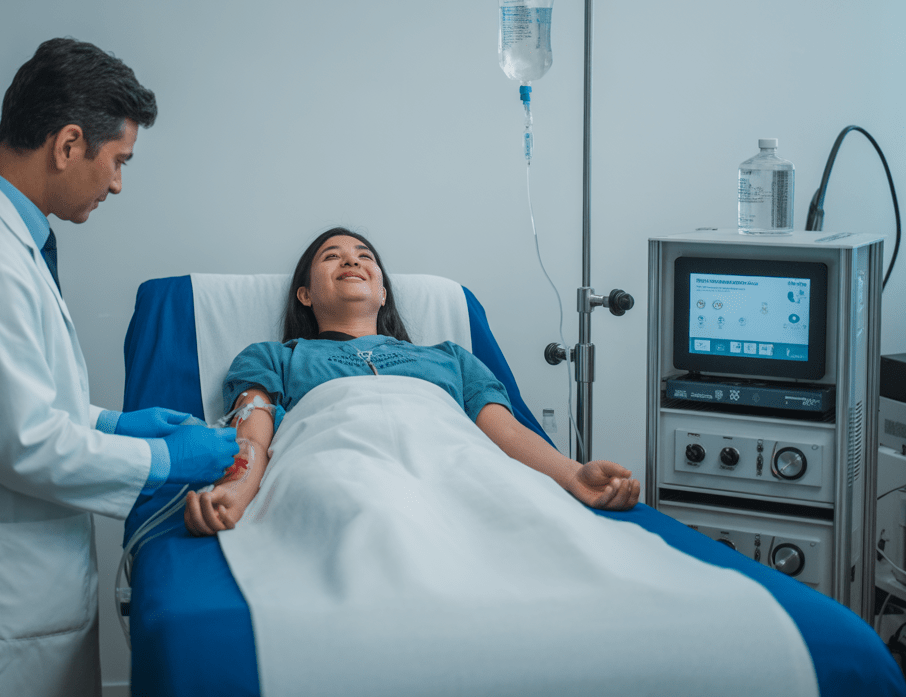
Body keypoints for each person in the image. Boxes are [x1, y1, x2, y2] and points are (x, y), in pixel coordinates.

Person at [0, 38, 239, 697]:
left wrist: (116, 423)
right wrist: (164, 461)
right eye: (118, 161)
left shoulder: (1, 240)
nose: (119, 184)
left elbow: (12, 403)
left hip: (18, 594)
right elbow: (23, 444)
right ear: (70, 144)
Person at [184, 226, 639, 535]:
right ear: (304, 294)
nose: (351, 261)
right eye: (332, 257)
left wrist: (575, 474)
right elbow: (252, 435)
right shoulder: (272, 358)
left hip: (456, 465)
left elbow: (507, 433)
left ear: (382, 292)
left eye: (365, 257)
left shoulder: (451, 359)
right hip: (337, 467)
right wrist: (236, 490)